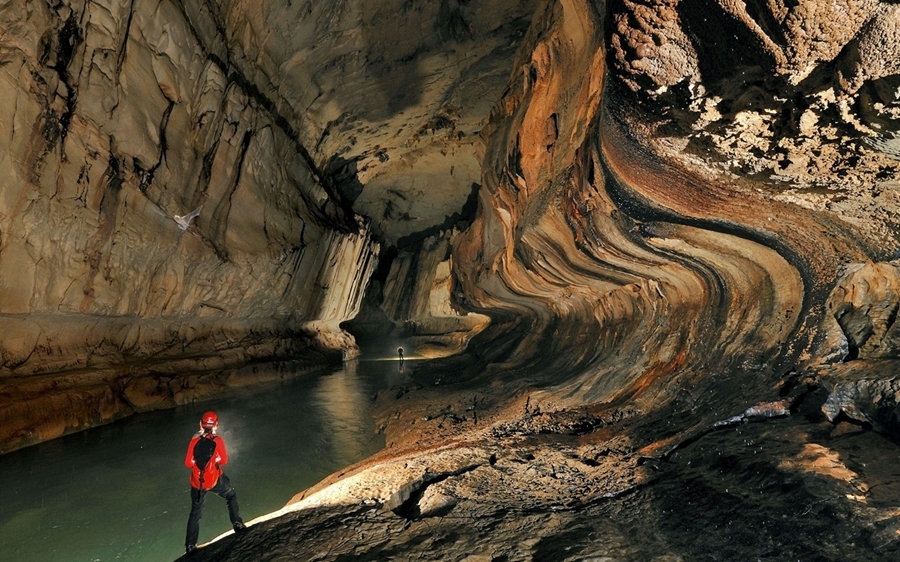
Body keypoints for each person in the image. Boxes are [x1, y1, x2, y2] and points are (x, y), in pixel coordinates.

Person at [184, 411, 245, 554]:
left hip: (197, 483)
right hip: (214, 480)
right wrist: (214, 460)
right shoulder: (217, 440)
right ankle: (237, 523)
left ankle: (190, 546)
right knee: (231, 496)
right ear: (216, 425)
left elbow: (188, 463)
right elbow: (224, 460)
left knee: (195, 513)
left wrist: (198, 464)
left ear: (201, 424)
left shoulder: (194, 441)